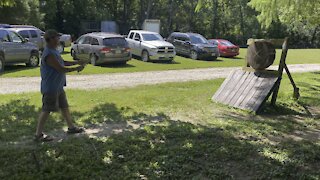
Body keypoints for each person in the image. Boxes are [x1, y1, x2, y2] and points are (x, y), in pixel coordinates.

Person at [35, 29, 86, 142]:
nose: (59, 39)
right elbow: (61, 68)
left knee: (64, 107)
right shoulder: (48, 54)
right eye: (57, 37)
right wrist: (77, 68)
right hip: (51, 87)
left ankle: (71, 128)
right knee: (46, 110)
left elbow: (63, 62)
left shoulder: (54, 50)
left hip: (58, 86)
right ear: (51, 39)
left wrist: (77, 62)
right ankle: (38, 135)